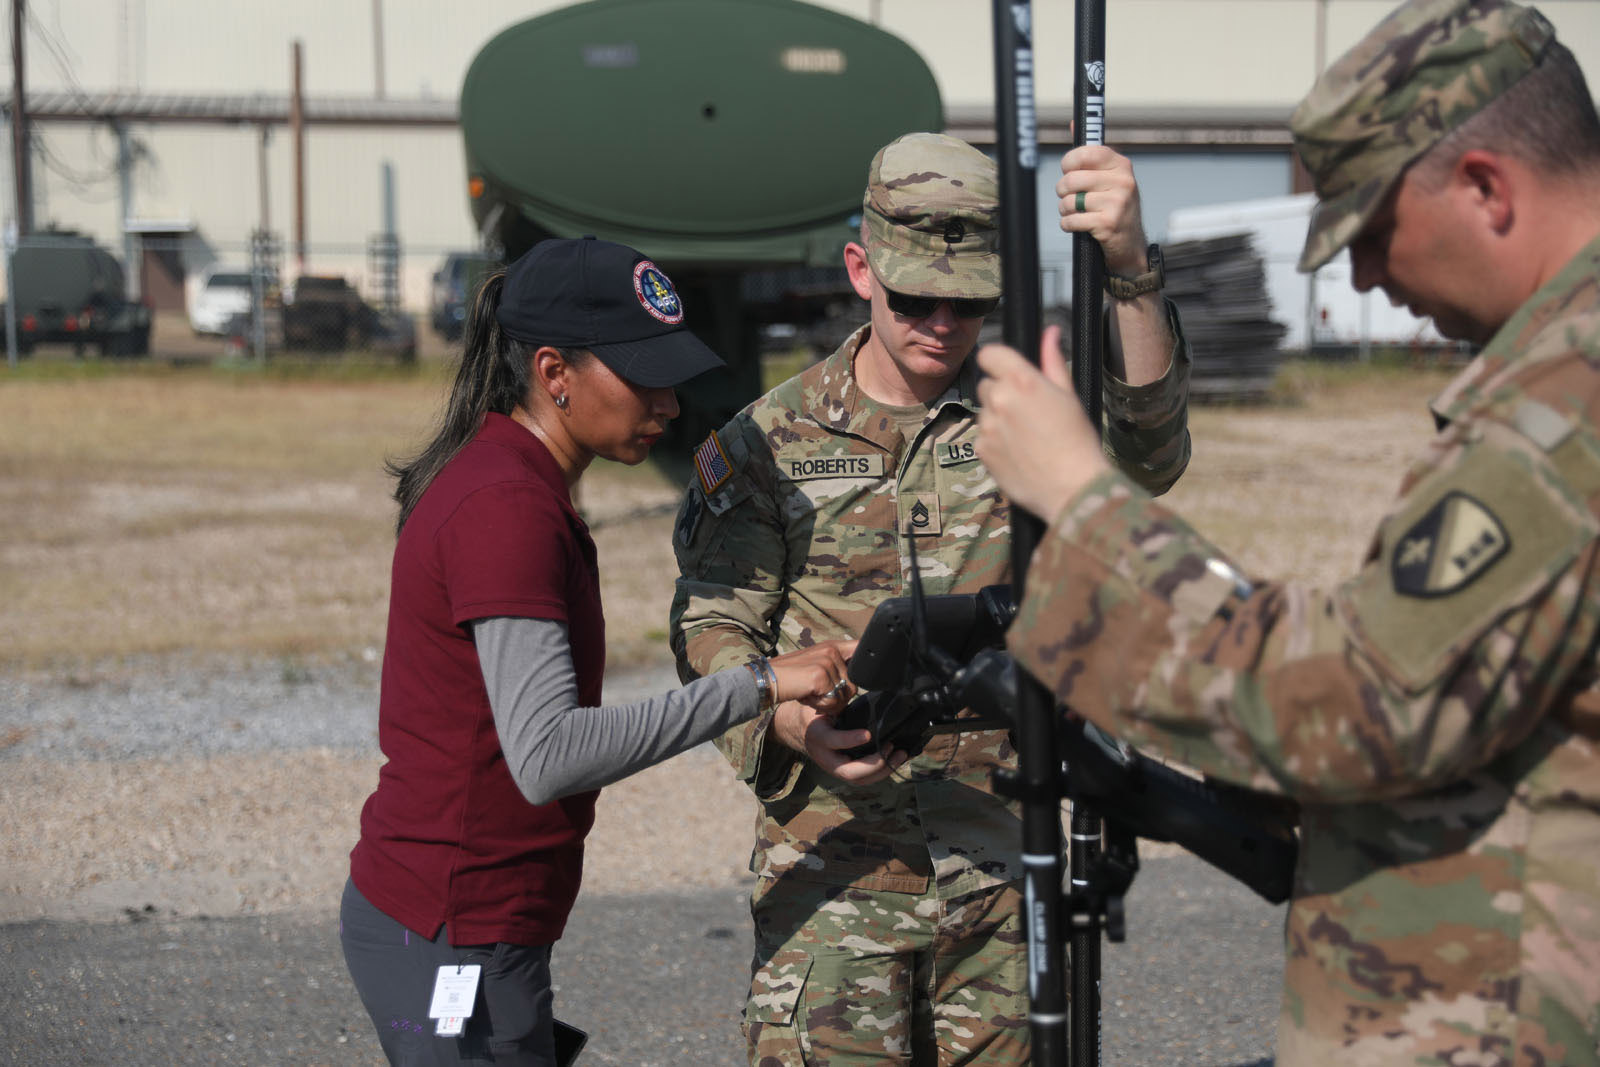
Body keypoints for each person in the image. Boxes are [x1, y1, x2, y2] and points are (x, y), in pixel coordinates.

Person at [975, 2, 1600, 1064]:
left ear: (1486, 188)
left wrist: (1081, 507)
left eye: (1367, 232)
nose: (1361, 280)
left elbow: (1355, 695)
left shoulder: (1563, 405)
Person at [670, 132, 1191, 1064]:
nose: (942, 323)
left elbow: (1151, 459)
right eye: (916, 297)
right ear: (861, 269)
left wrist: (1129, 266)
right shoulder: (769, 440)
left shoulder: (1025, 414)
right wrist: (787, 725)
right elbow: (713, 625)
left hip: (1000, 869)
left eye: (968, 301)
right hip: (832, 886)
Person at [340, 235, 856, 1067]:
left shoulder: (515, 478)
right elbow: (547, 756)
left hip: (474, 922)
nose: (669, 399)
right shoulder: (505, 505)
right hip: (452, 930)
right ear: (554, 374)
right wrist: (759, 682)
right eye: (641, 371)